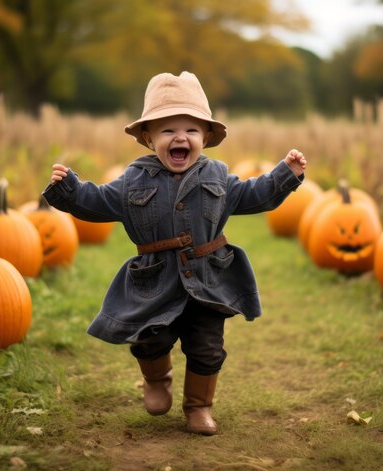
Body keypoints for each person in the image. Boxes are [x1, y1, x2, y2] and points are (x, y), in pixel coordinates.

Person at [44, 71, 306, 435]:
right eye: (168, 130)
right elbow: (98, 202)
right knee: (150, 339)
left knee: (208, 348)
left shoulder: (218, 177)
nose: (180, 137)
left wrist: (284, 175)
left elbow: (253, 194)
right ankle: (157, 378)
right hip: (154, 280)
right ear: (149, 138)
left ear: (206, 137)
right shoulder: (133, 181)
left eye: (191, 130)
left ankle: (198, 407)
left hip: (207, 278)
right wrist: (70, 190)